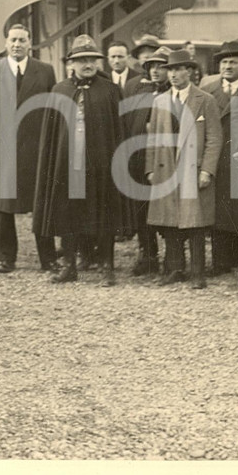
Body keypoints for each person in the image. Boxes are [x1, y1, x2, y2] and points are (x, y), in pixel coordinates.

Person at [34, 35, 130, 286]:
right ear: (72, 63)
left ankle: (107, 265)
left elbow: (119, 130)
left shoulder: (110, 91)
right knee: (68, 212)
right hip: (68, 166)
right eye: (81, 60)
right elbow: (51, 134)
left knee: (105, 213)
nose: (87, 64)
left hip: (102, 164)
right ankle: (69, 265)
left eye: (91, 59)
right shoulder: (59, 90)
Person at [0, 23, 58, 273]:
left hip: (35, 149)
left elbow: (52, 110)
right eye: (12, 40)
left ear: (30, 43)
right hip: (2, 150)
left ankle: (48, 258)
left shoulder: (45, 71)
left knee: (40, 203)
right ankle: (6, 258)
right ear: (5, 43)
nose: (17, 45)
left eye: (22, 40)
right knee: (3, 207)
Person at [145, 49, 222, 288]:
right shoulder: (160, 101)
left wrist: (207, 170)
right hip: (166, 167)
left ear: (189, 71)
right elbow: (152, 138)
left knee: (195, 222)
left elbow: (214, 138)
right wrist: (150, 169)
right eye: (170, 70)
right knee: (170, 221)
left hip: (193, 168)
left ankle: (198, 273)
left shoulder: (205, 100)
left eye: (178, 69)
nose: (173, 75)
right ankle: (175, 268)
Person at [201, 41, 238, 275]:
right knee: (218, 208)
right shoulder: (208, 89)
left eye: (233, 62)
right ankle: (221, 261)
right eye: (224, 62)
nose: (228, 66)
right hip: (217, 156)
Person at [123, 47, 170, 275]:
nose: (155, 71)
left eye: (161, 66)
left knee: (167, 205)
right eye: (152, 67)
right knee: (141, 207)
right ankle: (148, 253)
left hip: (166, 159)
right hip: (139, 157)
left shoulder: (175, 93)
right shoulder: (137, 89)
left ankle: (173, 255)